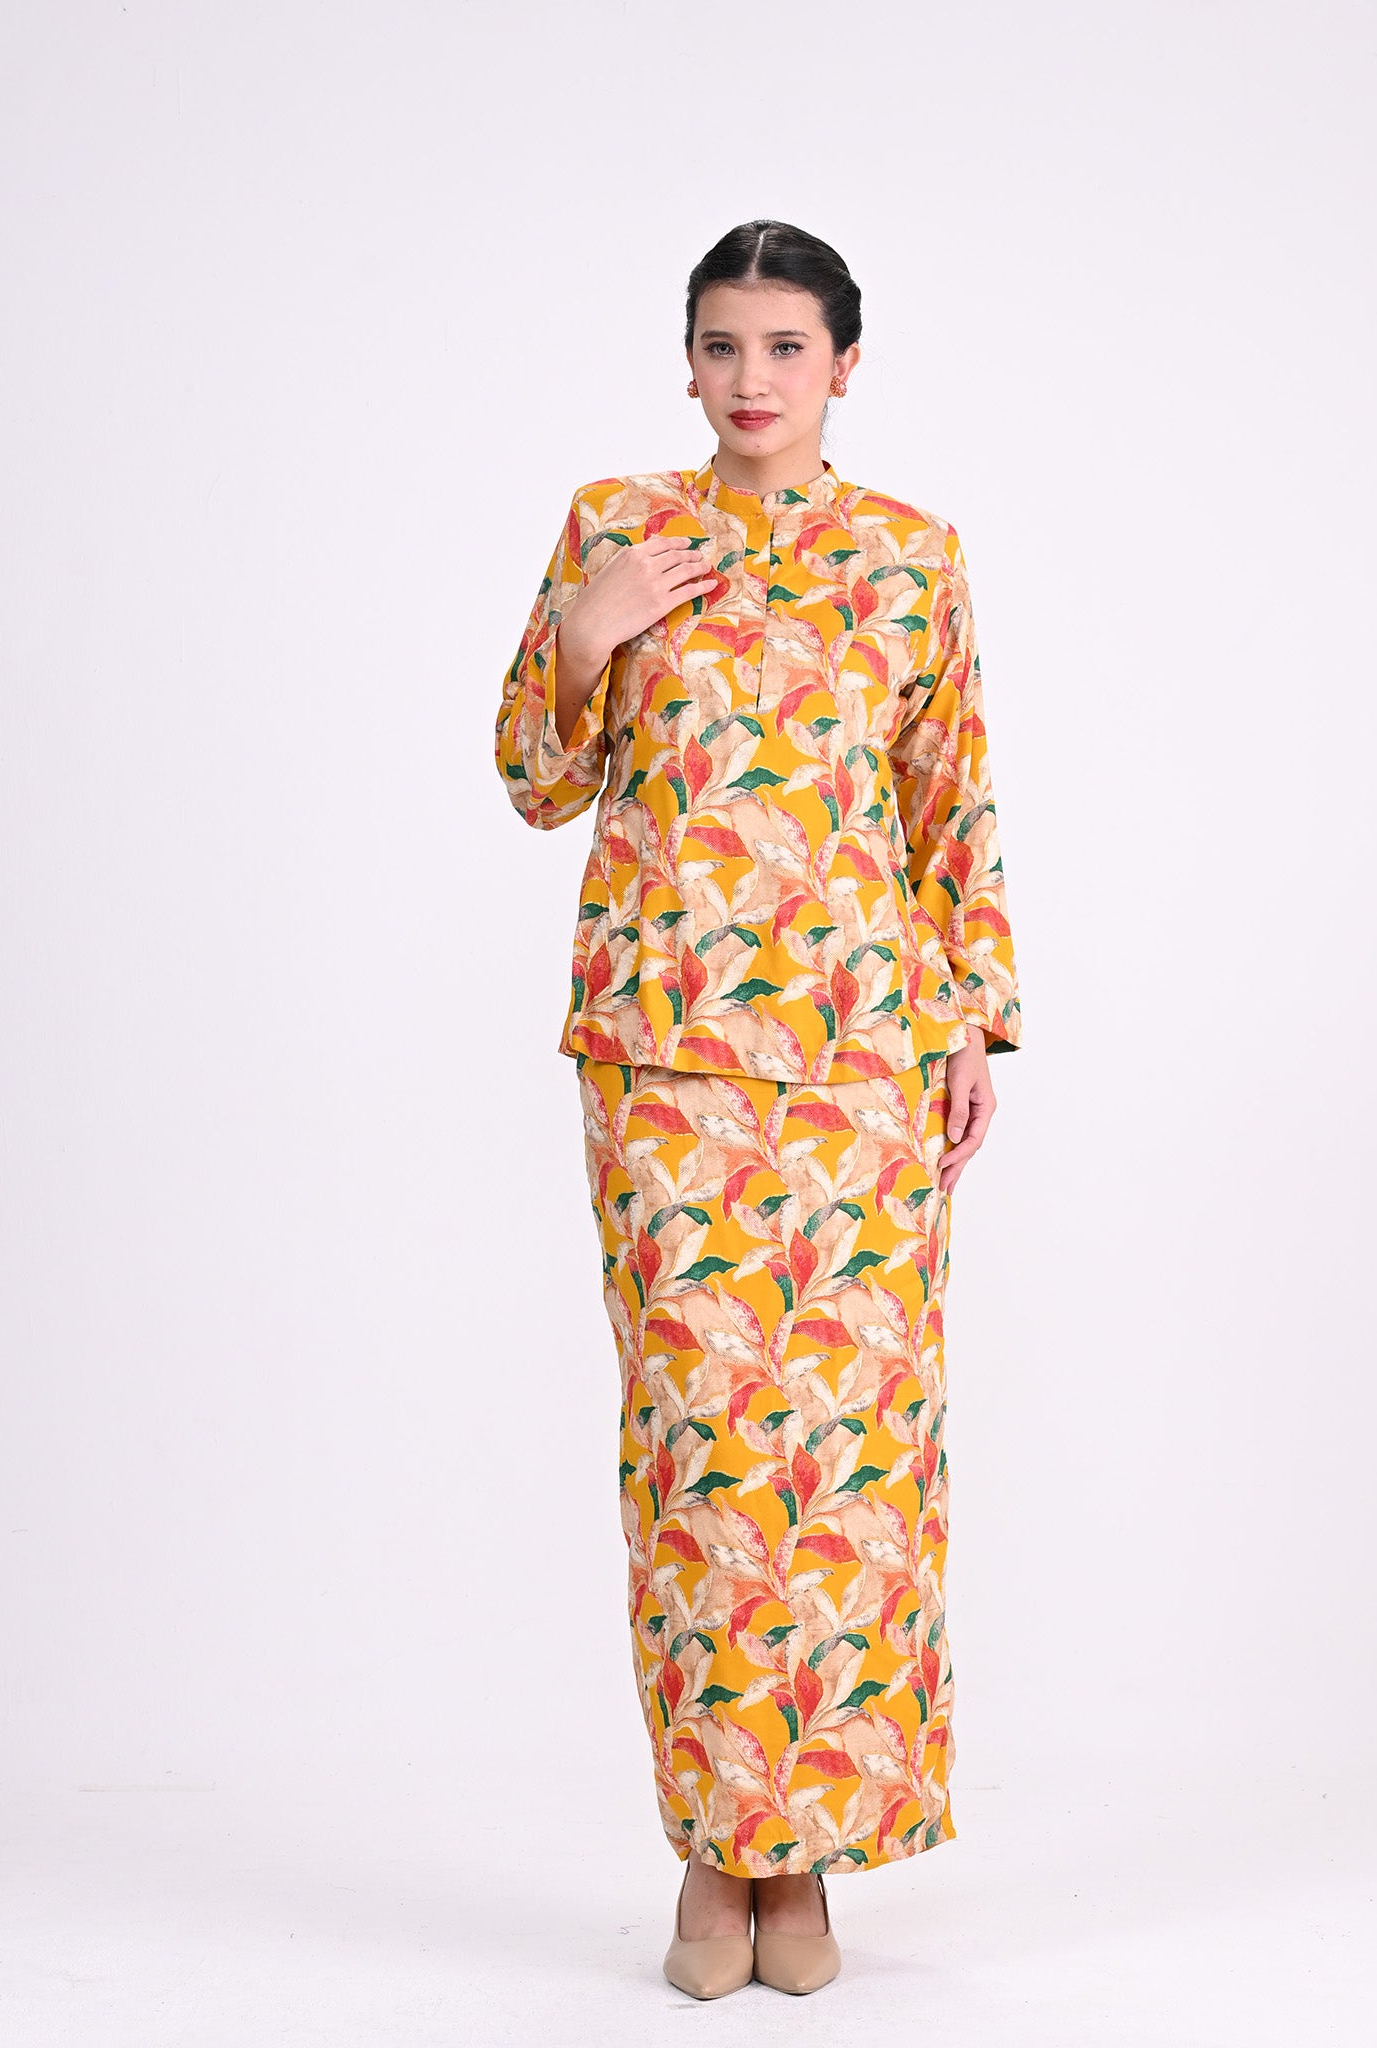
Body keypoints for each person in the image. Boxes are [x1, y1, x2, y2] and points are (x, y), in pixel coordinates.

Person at [492, 219, 1023, 2000]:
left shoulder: (910, 557)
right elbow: (534, 783)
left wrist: (972, 1024)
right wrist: (585, 640)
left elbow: (949, 808)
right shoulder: (613, 528)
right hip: (665, 1059)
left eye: (786, 347)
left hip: (862, 1063)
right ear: (689, 361)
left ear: (844, 366)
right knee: (705, 1461)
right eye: (723, 345)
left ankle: (809, 1867)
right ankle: (713, 1860)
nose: (751, 378)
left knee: (852, 1464)